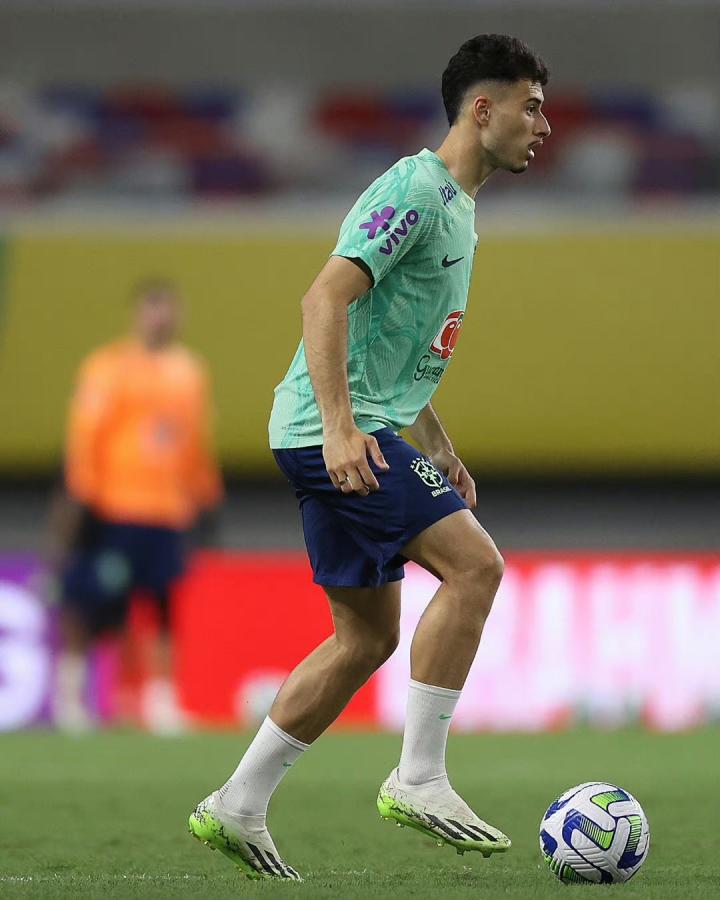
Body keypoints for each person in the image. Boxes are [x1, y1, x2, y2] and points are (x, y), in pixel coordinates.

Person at [190, 34, 550, 880]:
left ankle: (238, 803)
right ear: (483, 108)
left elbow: (390, 350)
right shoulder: (416, 190)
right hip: (334, 435)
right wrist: (341, 428)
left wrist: (438, 445)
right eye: (531, 106)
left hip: (347, 429)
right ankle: (419, 776)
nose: (544, 125)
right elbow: (325, 298)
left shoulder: (458, 207)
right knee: (476, 568)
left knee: (363, 638)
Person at [54, 279, 223, 734]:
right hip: (114, 506)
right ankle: (71, 695)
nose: (161, 318)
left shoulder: (189, 370)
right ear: (138, 314)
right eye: (154, 308)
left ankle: (160, 701)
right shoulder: (108, 367)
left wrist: (205, 492)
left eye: (169, 309)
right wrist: (82, 493)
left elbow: (195, 440)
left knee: (164, 605)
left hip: (167, 509)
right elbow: (86, 435)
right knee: (91, 600)